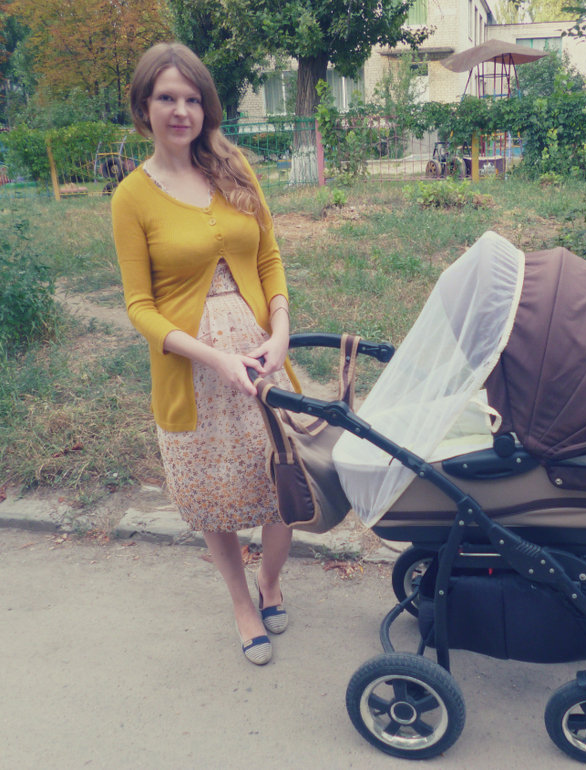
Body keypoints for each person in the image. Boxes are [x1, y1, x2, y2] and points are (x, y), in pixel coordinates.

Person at [112, 43, 298, 666]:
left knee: (286, 476)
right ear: (144, 106)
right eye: (167, 97)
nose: (181, 111)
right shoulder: (131, 197)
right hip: (191, 370)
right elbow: (139, 306)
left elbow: (269, 258)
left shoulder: (234, 167)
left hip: (263, 356)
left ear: (206, 106)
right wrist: (214, 358)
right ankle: (242, 603)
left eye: (192, 98)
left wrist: (281, 331)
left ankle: (270, 581)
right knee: (213, 493)